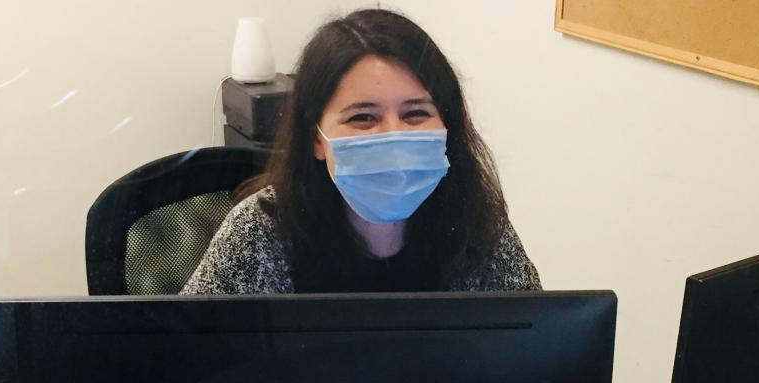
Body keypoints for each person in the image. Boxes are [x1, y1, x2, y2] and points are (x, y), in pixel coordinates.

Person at [182, 8, 541, 295]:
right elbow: (182, 358)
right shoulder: (256, 235)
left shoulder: (476, 223)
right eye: (363, 117)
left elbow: (537, 351)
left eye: (416, 113)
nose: (393, 136)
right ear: (317, 138)